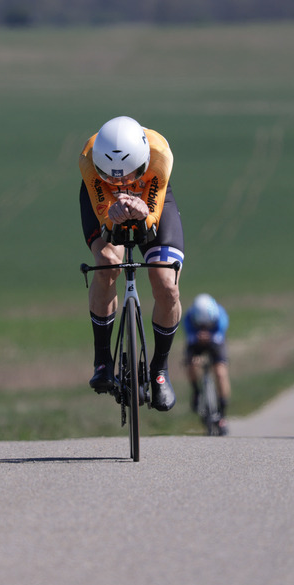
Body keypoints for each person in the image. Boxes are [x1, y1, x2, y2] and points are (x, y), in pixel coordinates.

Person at [79, 116, 184, 411]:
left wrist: (143, 213)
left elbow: (151, 220)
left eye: (129, 175)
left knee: (166, 284)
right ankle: (102, 360)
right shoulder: (88, 158)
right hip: (102, 201)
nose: (122, 183)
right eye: (111, 176)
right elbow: (103, 213)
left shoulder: (160, 153)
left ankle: (160, 370)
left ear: (144, 160)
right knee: (107, 262)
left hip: (151, 197)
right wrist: (111, 209)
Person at [183, 293, 231, 434]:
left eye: (207, 324)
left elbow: (220, 334)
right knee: (191, 363)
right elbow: (189, 335)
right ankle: (196, 391)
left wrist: (210, 337)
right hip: (196, 342)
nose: (204, 327)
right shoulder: (189, 317)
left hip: (216, 342)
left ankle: (222, 413)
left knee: (220, 373)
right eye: (200, 325)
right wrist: (197, 337)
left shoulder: (220, 315)